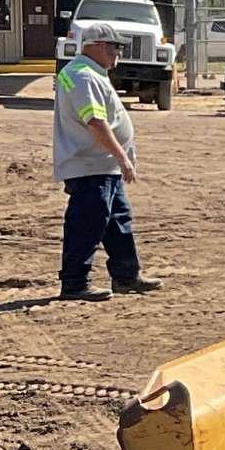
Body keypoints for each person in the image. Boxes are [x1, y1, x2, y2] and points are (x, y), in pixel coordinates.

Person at [53, 21, 162, 301]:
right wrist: (122, 156)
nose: (119, 54)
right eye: (116, 48)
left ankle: (126, 276)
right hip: (91, 165)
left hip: (102, 165)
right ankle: (75, 283)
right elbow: (95, 122)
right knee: (87, 223)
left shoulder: (89, 73)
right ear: (98, 46)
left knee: (117, 222)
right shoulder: (83, 76)